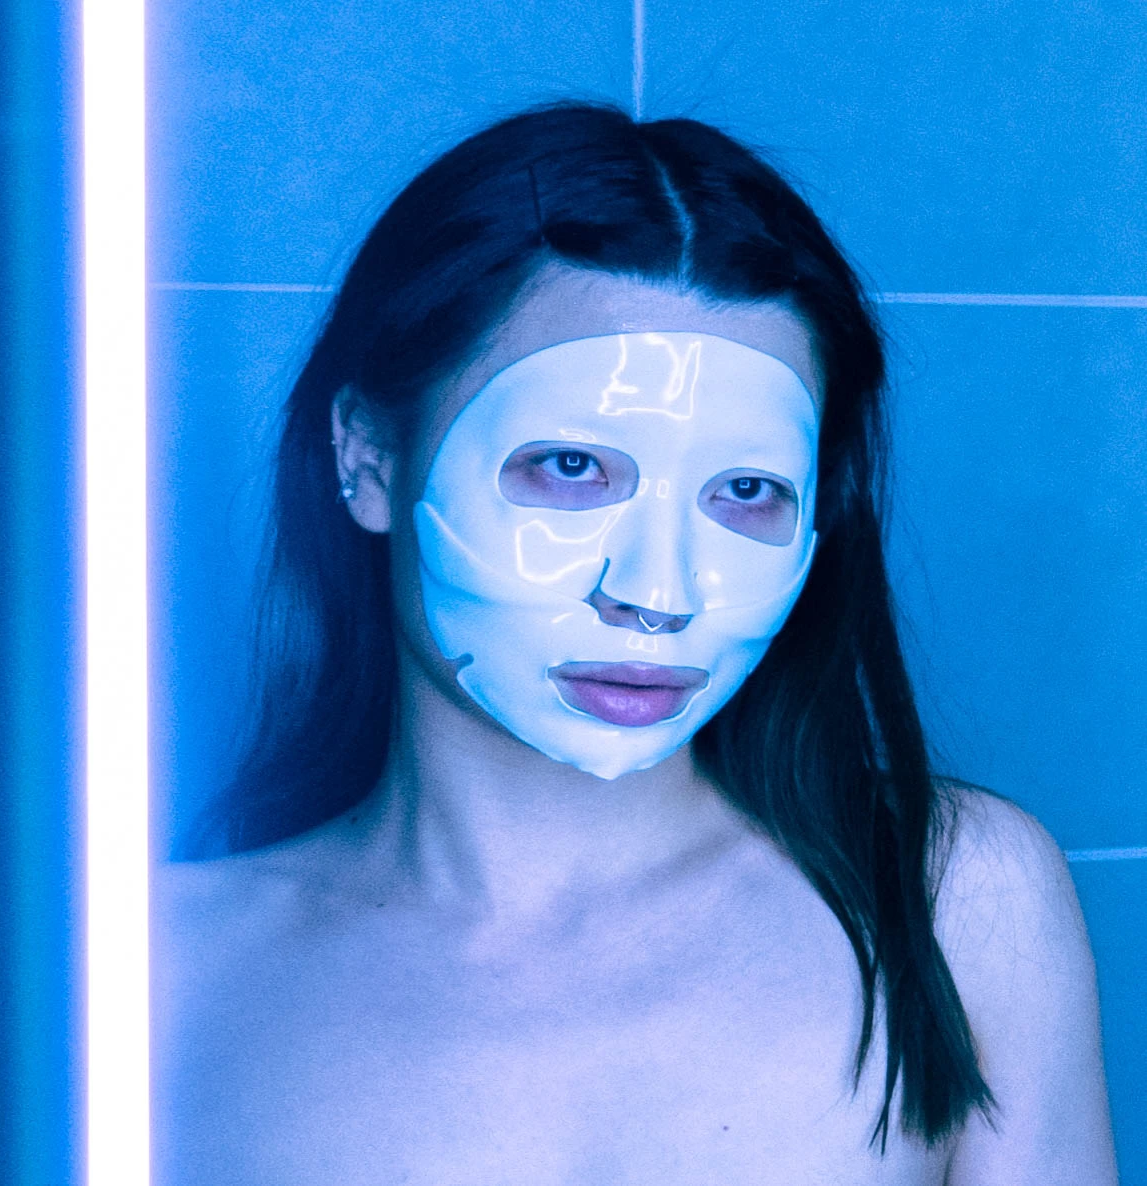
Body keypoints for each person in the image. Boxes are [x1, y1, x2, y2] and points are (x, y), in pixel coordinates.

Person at [153, 102, 1117, 1184]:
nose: (656, 594)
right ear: (367, 457)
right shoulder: (155, 975)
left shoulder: (954, 901)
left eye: (745, 491)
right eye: (570, 467)